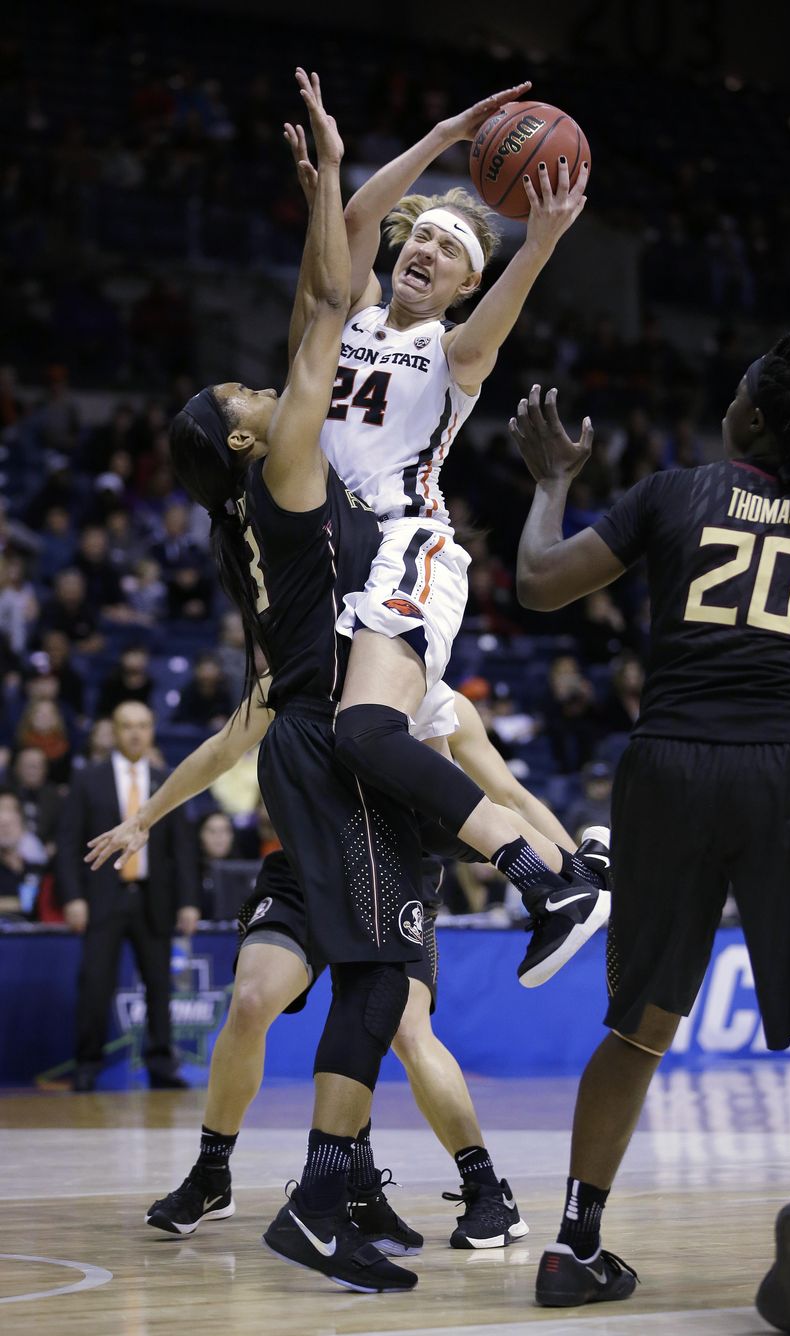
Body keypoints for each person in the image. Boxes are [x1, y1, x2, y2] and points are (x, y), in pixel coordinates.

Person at [192, 84, 603, 990]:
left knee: (382, 735)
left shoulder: (453, 353)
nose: (429, 248)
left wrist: (536, 245)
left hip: (405, 548)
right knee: (428, 747)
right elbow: (352, 225)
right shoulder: (344, 322)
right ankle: (574, 863)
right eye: (424, 237)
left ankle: (551, 881)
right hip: (335, 571)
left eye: (452, 250)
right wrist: (448, 137)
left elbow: (502, 314)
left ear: (463, 285)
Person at [509, 342, 790, 1334]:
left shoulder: (673, 494)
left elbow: (539, 582)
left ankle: (572, 1244)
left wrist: (549, 484)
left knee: (637, 1025)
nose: (726, 397)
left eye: (739, 388)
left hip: (665, 766)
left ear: (755, 421)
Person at [159, 70, 424, 1294]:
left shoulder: (260, 514)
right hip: (331, 742)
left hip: (310, 737)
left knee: (374, 971)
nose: (262, 387)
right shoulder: (290, 468)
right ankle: (320, 1194)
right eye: (245, 398)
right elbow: (330, 295)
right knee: (379, 970)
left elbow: (333, 299)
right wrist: (326, 174)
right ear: (248, 440)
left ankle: (333, 1186)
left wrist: (339, 177)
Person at [87, 682, 602, 1251]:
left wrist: (580, 872)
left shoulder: (441, 702)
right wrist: (144, 818)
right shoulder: (307, 671)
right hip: (305, 873)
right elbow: (222, 748)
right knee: (253, 1000)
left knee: (408, 1030)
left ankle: (486, 1192)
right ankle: (212, 1172)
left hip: (397, 878)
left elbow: (508, 796)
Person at [56, 700, 199, 1091]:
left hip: (154, 898)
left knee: (159, 985)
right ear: (114, 732)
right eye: (127, 726)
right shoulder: (89, 779)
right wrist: (73, 896)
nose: (135, 732)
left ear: (152, 729)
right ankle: (87, 1065)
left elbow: (182, 848)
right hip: (103, 897)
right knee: (95, 985)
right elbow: (68, 844)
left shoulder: (167, 780)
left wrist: (188, 900)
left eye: (142, 725)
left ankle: (161, 1064)